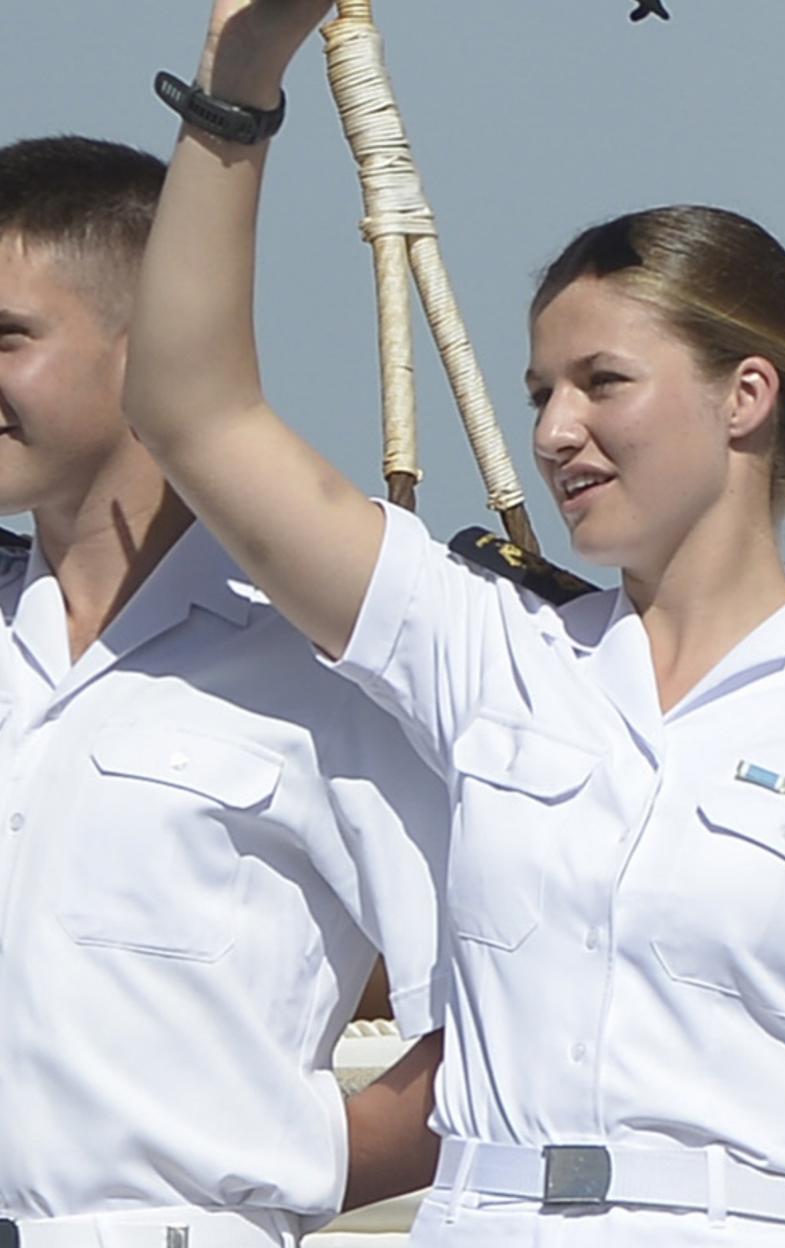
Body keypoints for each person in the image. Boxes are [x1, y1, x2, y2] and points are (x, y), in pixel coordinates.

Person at [123, 2, 785, 1243]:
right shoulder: (487, 654)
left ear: (746, 395)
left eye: (601, 383)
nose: (555, 431)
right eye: (538, 394)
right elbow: (194, 415)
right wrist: (239, 72)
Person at [0, 134, 449, 1247]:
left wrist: (283, 1165)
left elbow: (508, 1013)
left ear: (146, 346)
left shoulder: (328, 669)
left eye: (5, 339)